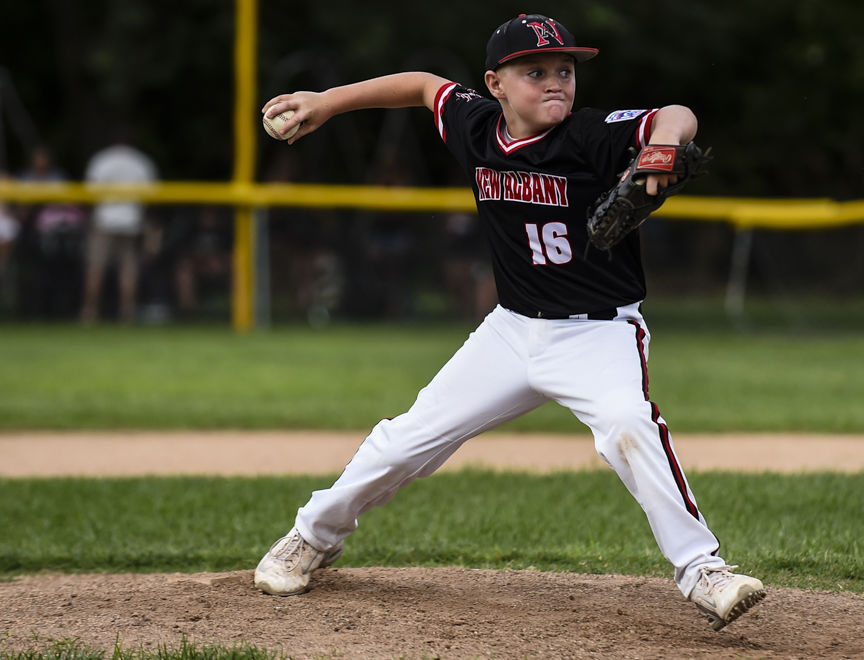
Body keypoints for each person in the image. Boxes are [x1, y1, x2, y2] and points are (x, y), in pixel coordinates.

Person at [253, 14, 766, 631]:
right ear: (495, 84)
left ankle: (702, 571)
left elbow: (676, 114)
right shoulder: (475, 127)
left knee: (629, 425)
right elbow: (421, 84)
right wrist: (327, 103)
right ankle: (312, 537)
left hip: (597, 332)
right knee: (407, 438)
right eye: (535, 72)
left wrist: (658, 150)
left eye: (565, 71)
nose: (556, 82)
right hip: (511, 329)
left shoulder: (591, 136)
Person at [79, 138, 158, 323]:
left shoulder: (102, 159)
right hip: (131, 220)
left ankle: (89, 312)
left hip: (104, 219)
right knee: (128, 268)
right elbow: (150, 195)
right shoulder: (141, 161)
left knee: (96, 267)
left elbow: (90, 191)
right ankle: (127, 313)